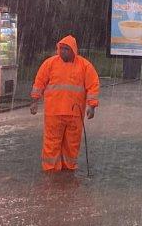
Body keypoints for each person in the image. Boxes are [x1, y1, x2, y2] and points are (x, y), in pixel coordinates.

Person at [30, 35, 99, 172]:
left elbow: (93, 85)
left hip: (75, 113)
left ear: (73, 50)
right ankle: (51, 169)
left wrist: (92, 106)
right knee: (51, 143)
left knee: (72, 144)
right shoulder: (50, 64)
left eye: (66, 49)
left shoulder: (85, 66)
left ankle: (68, 168)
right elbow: (39, 82)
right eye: (61, 49)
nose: (63, 52)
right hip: (54, 113)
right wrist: (35, 101)